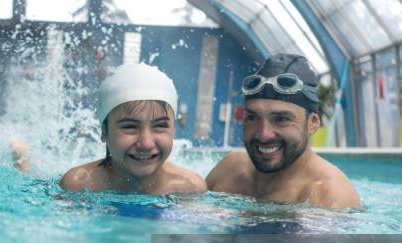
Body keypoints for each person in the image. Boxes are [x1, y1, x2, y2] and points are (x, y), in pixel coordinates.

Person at [206, 54, 360, 209]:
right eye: (253, 117)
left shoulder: (328, 197)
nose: (264, 134)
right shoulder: (228, 169)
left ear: (312, 123)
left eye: (281, 119)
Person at [60, 63, 206, 194]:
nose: (146, 143)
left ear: (173, 130)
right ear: (104, 131)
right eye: (130, 127)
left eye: (160, 125)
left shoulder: (190, 189)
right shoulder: (78, 186)